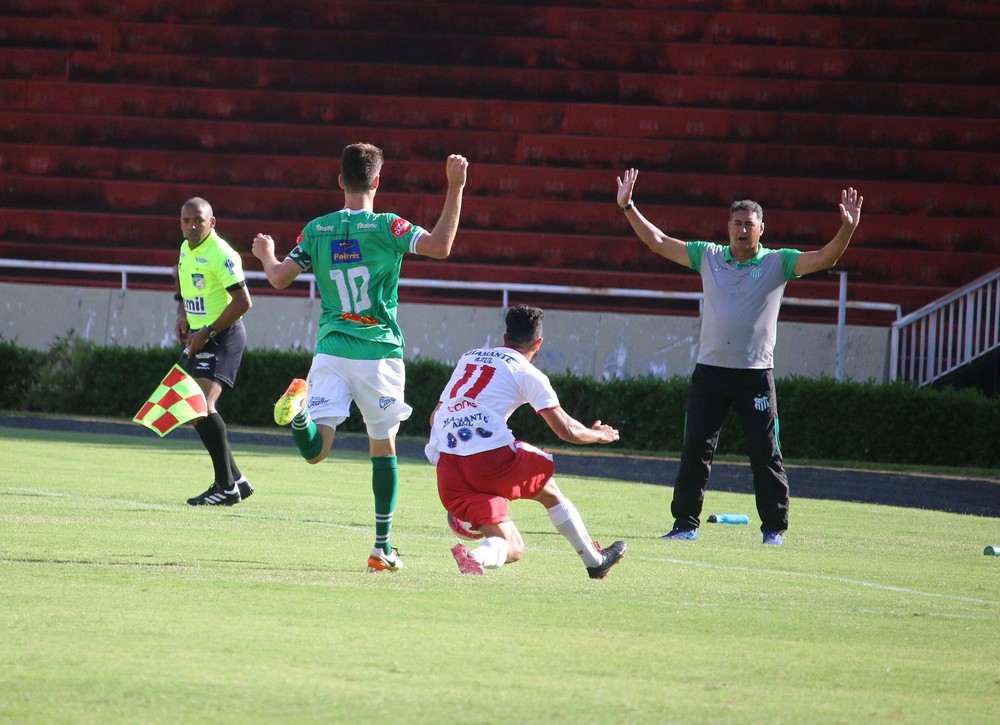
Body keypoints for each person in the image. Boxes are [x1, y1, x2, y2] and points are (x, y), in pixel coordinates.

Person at [616, 168, 863, 546]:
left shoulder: (777, 262)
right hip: (710, 373)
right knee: (695, 449)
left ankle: (774, 530)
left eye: (749, 223)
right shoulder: (708, 256)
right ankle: (685, 525)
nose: (742, 230)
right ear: (727, 227)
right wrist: (629, 207)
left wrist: (846, 229)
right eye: (736, 223)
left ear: (762, 228)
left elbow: (826, 257)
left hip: (754, 375)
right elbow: (660, 242)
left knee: (765, 454)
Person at [251, 143, 468, 572]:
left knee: (316, 451)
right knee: (382, 447)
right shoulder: (390, 226)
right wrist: (456, 186)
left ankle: (299, 416)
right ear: (377, 181)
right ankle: (381, 547)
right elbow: (442, 246)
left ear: (339, 181)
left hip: (330, 350)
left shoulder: (317, 229)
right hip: (378, 351)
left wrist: (264, 254)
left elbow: (278, 278)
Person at [426, 304, 627, 578]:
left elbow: (435, 416)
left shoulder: (469, 357)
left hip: (448, 467)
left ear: (504, 337)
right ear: (539, 343)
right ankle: (594, 561)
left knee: (513, 547)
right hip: (489, 461)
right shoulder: (527, 372)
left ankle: (476, 556)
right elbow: (566, 430)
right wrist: (599, 435)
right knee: (547, 487)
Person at [174, 197, 254, 506]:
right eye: (186, 221)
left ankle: (225, 486)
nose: (192, 227)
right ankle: (237, 481)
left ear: (212, 222)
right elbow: (188, 289)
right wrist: (184, 317)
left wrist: (207, 332)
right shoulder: (185, 250)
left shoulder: (222, 254)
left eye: (198, 221)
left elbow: (243, 302)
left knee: (199, 406)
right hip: (202, 337)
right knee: (197, 412)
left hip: (224, 336)